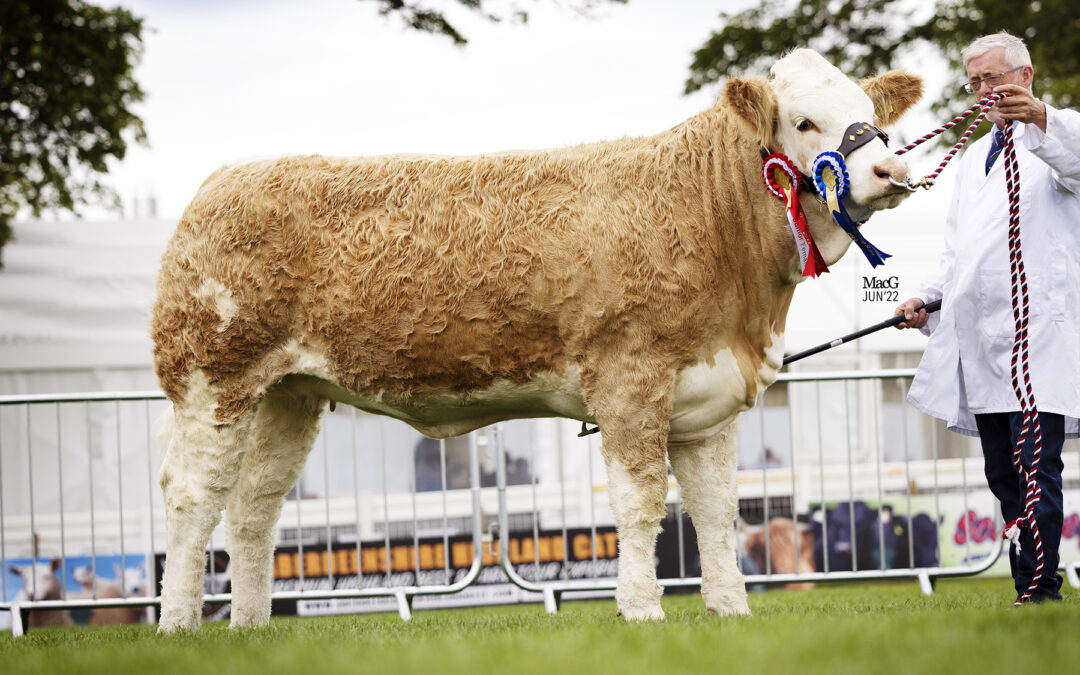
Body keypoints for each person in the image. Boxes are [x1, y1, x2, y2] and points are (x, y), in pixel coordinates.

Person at [894, 31, 1080, 605]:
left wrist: (1043, 117)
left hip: (1036, 338)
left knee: (1034, 471)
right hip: (982, 342)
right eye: (975, 81)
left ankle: (1042, 586)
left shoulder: (1059, 131)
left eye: (994, 78)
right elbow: (960, 253)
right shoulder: (975, 157)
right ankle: (1029, 578)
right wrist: (922, 298)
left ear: (1024, 76)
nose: (984, 90)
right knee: (1003, 476)